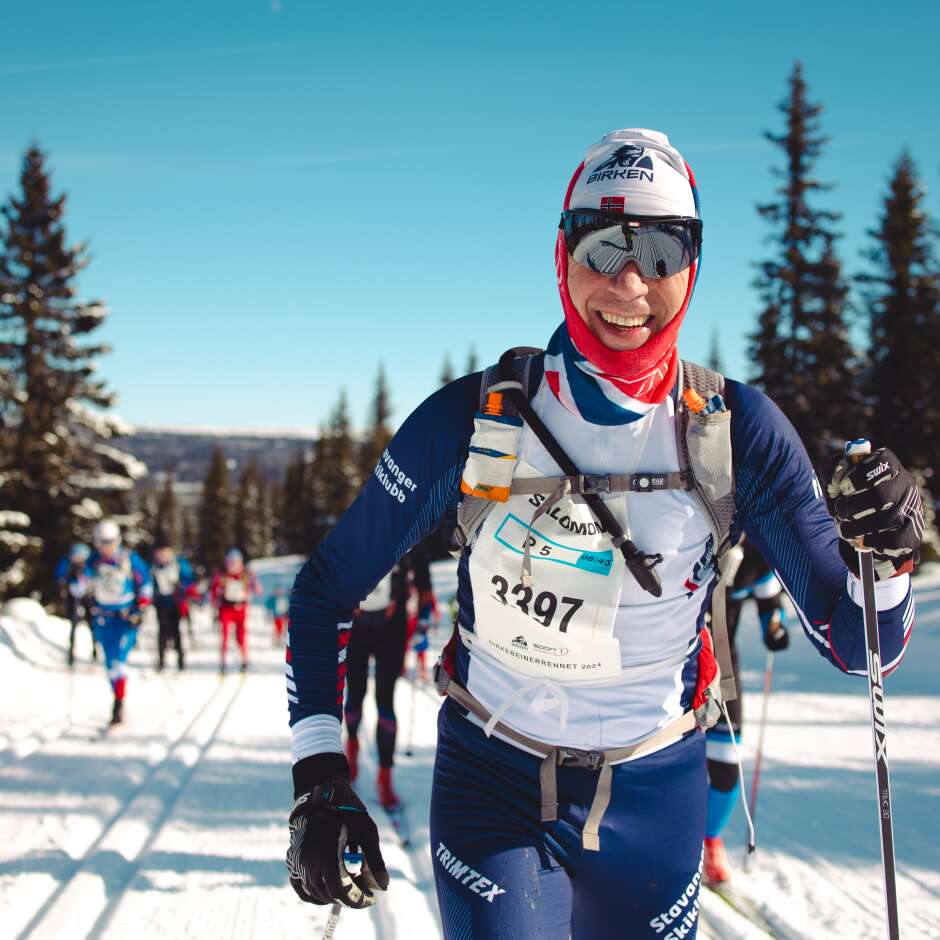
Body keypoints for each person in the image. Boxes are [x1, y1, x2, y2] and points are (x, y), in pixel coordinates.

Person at [283, 128, 922, 936]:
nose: (629, 282)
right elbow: (325, 590)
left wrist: (889, 557)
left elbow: (860, 645)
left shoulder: (736, 432)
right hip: (493, 787)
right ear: (563, 254)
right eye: (603, 244)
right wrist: (318, 774)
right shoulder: (472, 420)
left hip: (656, 797)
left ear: (692, 266)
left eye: (661, 250)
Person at [703, 537, 789, 887]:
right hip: (671, 670)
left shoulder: (756, 551)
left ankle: (710, 839)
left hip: (722, 672)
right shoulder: (691, 532)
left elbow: (770, 603)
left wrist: (775, 627)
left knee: (725, 768)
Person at [342, 545, 433, 809]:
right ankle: (351, 750)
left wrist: (422, 624)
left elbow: (424, 584)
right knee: (355, 694)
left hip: (392, 627)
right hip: (356, 624)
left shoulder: (409, 531)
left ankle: (384, 777)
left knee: (385, 699)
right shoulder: (355, 529)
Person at [85, 520, 152, 725]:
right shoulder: (93, 562)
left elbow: (145, 584)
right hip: (103, 618)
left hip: (125, 618)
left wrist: (140, 608)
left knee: (119, 661)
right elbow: (81, 586)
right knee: (110, 661)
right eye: (102, 543)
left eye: (110, 542)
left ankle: (118, 703)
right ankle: (117, 695)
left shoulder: (129, 559)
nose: (106, 547)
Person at [210, 548, 260, 674]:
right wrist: (215, 602)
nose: (233, 566)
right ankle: (223, 662)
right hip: (226, 609)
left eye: (236, 563)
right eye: (230, 563)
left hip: (241, 610)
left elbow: (258, 590)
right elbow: (214, 592)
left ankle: (244, 660)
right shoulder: (222, 576)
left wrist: (254, 580)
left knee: (241, 636)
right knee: (225, 635)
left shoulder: (245, 575)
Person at [151, 542, 194, 671]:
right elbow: (148, 583)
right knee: (162, 632)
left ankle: (180, 659)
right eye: (160, 553)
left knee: (175, 631)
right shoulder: (154, 567)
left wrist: (181, 586)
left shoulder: (179, 563)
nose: (162, 556)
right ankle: (161, 660)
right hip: (160, 603)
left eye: (165, 552)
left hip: (176, 603)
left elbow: (189, 579)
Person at [55, 542, 95, 667]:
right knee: (73, 622)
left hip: (87, 595)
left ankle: (95, 651)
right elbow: (59, 576)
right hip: (72, 595)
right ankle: (71, 654)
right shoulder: (66, 563)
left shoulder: (89, 564)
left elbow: (94, 575)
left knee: (91, 622)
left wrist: (88, 583)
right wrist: (66, 582)